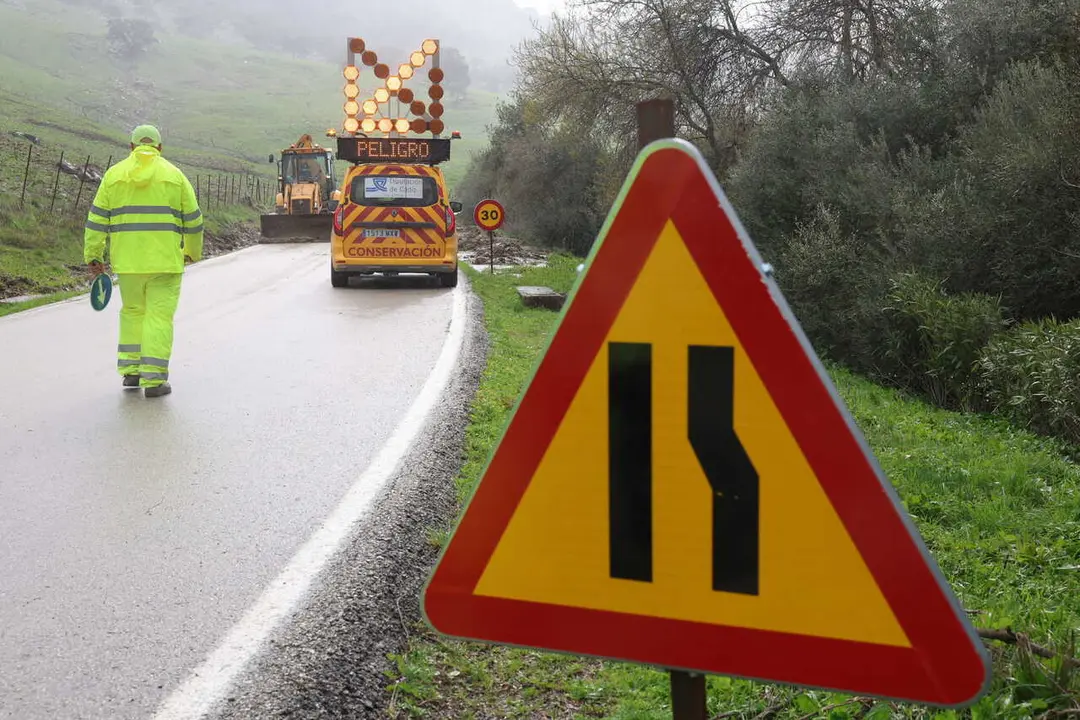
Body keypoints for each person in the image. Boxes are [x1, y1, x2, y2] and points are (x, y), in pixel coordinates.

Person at [84, 124, 204, 398]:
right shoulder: (175, 176)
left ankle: (131, 372)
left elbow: (96, 221)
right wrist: (191, 252)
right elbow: (194, 220)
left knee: (132, 312)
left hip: (127, 264)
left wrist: (94, 256)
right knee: (158, 318)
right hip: (165, 263)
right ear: (159, 147)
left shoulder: (113, 176)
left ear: (131, 147)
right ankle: (154, 380)